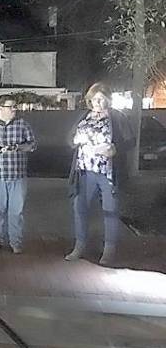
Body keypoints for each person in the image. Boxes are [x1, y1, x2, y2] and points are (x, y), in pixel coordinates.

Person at [65, 82, 135, 265]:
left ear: (108, 100)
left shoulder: (117, 118)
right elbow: (70, 139)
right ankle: (79, 246)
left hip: (107, 173)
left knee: (110, 210)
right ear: (90, 100)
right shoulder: (84, 117)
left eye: (102, 100)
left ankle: (109, 250)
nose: (98, 103)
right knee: (79, 207)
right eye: (95, 100)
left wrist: (114, 148)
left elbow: (130, 141)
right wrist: (76, 140)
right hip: (85, 171)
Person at [0, 95, 37, 254]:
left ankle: (16, 242)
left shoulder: (22, 125)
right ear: (1, 108)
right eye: (11, 106)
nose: (14, 109)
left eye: (15, 106)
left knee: (16, 211)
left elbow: (32, 145)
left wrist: (18, 147)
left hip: (17, 175)